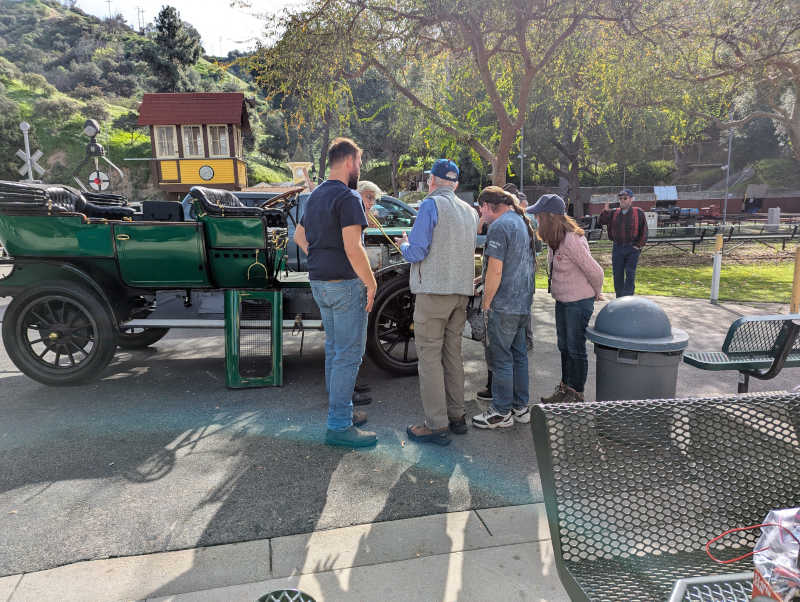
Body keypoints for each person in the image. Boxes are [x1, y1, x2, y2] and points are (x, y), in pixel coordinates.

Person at [293, 138, 378, 448]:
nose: (359, 168)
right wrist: (371, 282)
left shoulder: (314, 196)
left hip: (319, 283)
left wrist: (321, 257)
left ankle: (341, 411)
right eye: (359, 162)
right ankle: (339, 424)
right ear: (349, 161)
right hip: (345, 285)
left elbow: (299, 236)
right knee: (348, 354)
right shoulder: (348, 197)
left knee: (335, 349)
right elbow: (353, 248)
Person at [395, 159, 478, 446]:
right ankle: (457, 416)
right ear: (455, 183)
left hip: (433, 292)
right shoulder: (470, 211)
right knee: (452, 355)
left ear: (432, 181)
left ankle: (436, 424)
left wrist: (403, 245)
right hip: (461, 292)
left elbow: (417, 252)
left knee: (429, 358)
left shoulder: (430, 205)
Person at [471, 187, 536, 429]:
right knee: (519, 356)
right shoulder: (521, 221)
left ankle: (500, 412)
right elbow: (515, 263)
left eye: (481, 210)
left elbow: (496, 270)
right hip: (522, 303)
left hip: (504, 304)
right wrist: (483, 278)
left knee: (501, 360)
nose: (481, 215)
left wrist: (486, 303)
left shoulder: (499, 226)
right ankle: (520, 408)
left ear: (487, 206)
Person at [529, 194, 603, 404]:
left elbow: (595, 271)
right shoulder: (555, 238)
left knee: (575, 348)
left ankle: (576, 393)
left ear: (550, 216)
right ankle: (565, 388)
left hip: (578, 302)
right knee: (564, 346)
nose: (536, 220)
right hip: (563, 301)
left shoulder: (571, 239)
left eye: (539, 216)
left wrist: (597, 292)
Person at [598, 188, 647, 297]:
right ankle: (619, 298)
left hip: (632, 248)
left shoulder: (638, 212)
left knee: (630, 273)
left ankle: (628, 298)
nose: (622, 200)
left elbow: (644, 230)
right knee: (617, 274)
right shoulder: (614, 212)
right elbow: (602, 221)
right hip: (618, 247)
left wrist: (638, 246)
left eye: (625, 198)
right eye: (620, 198)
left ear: (631, 199)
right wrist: (605, 211)